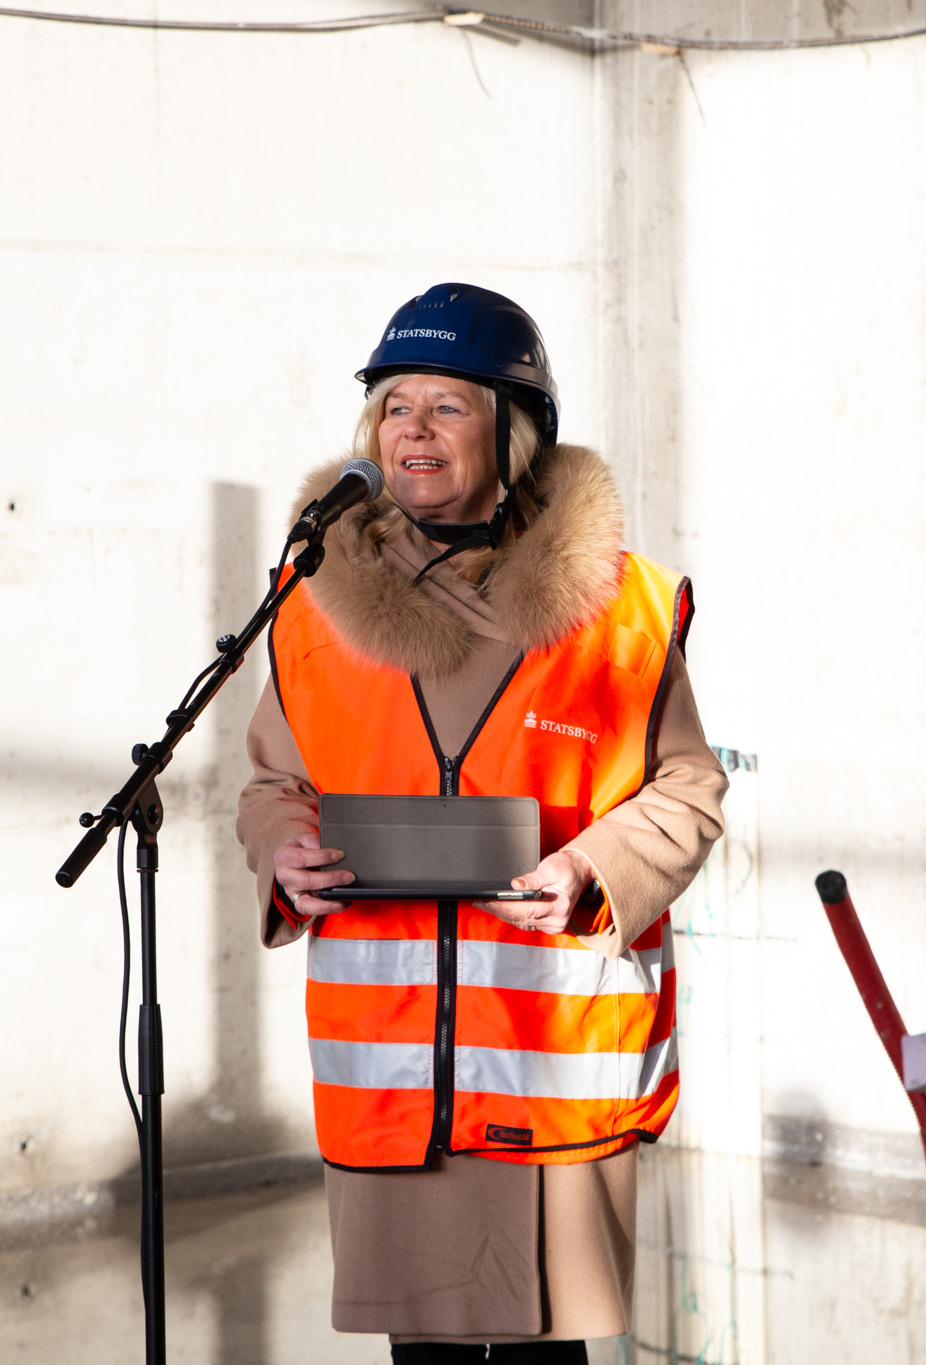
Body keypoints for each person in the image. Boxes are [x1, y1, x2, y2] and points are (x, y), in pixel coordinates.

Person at [236, 283, 728, 1362]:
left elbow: (686, 786)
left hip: (550, 1059)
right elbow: (274, 783)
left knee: (547, 1349)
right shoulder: (310, 601)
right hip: (395, 1067)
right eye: (394, 407)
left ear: (511, 432)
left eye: (446, 406)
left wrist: (597, 870)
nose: (413, 429)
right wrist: (283, 855)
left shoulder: (625, 607)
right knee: (425, 1354)